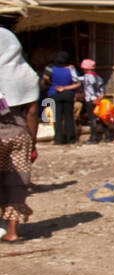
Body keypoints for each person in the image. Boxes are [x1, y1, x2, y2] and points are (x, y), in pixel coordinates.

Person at [0, 29, 40, 241]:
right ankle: (13, 231)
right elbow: (32, 112)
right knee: (17, 182)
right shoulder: (27, 74)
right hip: (20, 133)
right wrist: (32, 144)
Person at [42, 51, 79, 145]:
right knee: (69, 117)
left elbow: (45, 79)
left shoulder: (50, 68)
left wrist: (53, 85)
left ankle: (58, 139)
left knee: (57, 117)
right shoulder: (71, 69)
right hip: (68, 94)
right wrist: (65, 88)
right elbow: (77, 83)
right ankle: (71, 138)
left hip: (54, 93)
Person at [79, 58, 106, 144]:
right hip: (98, 99)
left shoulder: (87, 77)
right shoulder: (97, 76)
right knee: (102, 118)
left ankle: (93, 138)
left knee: (92, 119)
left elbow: (76, 78)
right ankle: (107, 137)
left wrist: (71, 69)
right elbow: (102, 89)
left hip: (91, 100)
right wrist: (99, 97)